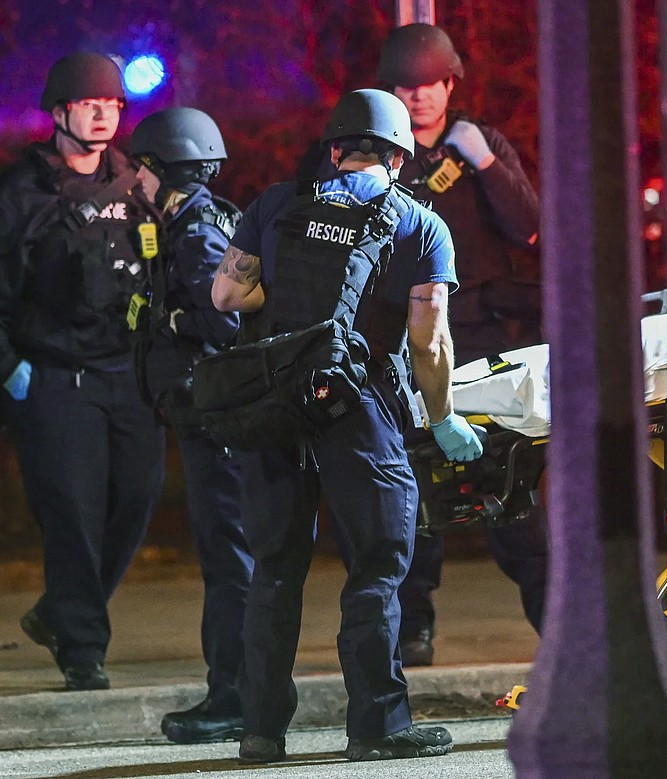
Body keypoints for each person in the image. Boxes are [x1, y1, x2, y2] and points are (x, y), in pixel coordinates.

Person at [209, 88, 482, 763]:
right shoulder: (421, 225)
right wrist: (444, 417)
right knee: (377, 566)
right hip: (355, 408)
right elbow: (429, 343)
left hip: (273, 406)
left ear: (333, 150)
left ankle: (261, 729)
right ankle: (377, 726)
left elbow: (226, 294)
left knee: (274, 566)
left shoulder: (274, 204)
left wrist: (291, 311)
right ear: (399, 156)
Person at [0, 52, 165, 691]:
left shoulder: (141, 184)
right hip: (56, 380)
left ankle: (60, 613)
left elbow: (174, 266)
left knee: (137, 498)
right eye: (88, 102)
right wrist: (12, 374)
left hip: (127, 376)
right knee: (73, 515)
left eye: (112, 103)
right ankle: (83, 648)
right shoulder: (17, 196)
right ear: (60, 111)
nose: (102, 112)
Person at [377, 22, 548, 666]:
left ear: (451, 85)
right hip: (399, 341)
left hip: (477, 335)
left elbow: (529, 227)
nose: (419, 98)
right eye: (406, 87)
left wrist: (483, 161)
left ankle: (560, 629)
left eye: (430, 85)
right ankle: (412, 627)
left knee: (509, 480)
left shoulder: (478, 144)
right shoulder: (372, 150)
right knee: (412, 488)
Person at [127, 107, 252, 743]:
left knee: (230, 561)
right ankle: (242, 695)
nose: (136, 181)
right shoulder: (197, 222)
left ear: (163, 170)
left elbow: (224, 319)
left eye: (141, 169)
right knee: (234, 558)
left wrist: (175, 324)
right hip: (212, 418)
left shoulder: (197, 233)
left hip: (218, 422)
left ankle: (233, 699)